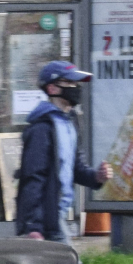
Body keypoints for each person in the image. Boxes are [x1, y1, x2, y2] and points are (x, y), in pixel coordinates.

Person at [15, 60, 103, 242]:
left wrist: (96, 177)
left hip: (58, 216)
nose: (75, 87)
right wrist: (33, 226)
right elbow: (33, 177)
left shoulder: (70, 122)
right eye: (69, 83)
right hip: (48, 221)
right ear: (52, 89)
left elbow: (76, 168)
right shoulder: (42, 129)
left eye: (76, 83)